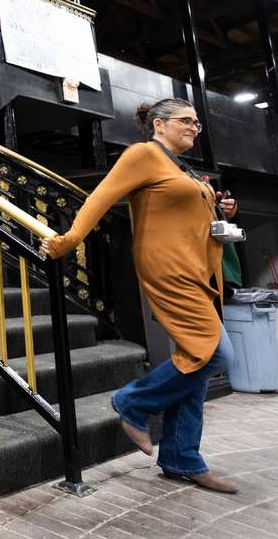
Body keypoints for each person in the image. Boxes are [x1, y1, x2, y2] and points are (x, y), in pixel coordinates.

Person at [40, 98, 241, 493]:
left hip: (199, 272)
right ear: (159, 124)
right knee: (216, 354)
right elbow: (98, 198)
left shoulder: (180, 166)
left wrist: (222, 210)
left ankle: (182, 458)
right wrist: (68, 240)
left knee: (193, 363)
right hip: (171, 270)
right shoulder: (143, 155)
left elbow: (186, 211)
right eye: (186, 121)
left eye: (197, 123)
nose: (194, 127)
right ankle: (133, 401)